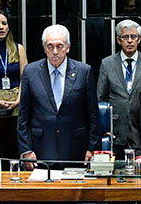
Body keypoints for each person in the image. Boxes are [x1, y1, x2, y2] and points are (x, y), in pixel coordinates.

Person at [17, 24, 100, 165]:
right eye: (50, 46)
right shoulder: (30, 72)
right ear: (44, 48)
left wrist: (92, 148)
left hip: (76, 150)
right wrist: (26, 150)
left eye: (59, 46)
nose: (55, 51)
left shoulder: (83, 72)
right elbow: (23, 116)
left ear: (68, 47)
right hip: (41, 151)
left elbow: (93, 114)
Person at [97, 20, 141, 156]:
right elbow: (101, 99)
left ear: (139, 39)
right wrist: (104, 126)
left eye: (133, 37)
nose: (129, 41)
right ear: (118, 40)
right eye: (125, 37)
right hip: (116, 130)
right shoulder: (107, 63)